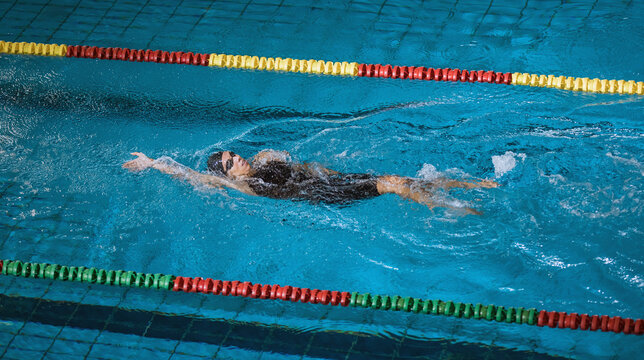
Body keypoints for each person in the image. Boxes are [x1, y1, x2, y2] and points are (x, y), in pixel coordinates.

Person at [123, 150, 499, 214]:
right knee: (389, 183)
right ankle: (456, 209)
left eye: (232, 154)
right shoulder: (240, 186)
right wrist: (153, 164)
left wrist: (331, 172)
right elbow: (190, 175)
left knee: (404, 179)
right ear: (227, 175)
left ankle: (478, 186)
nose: (236, 158)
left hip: (325, 180)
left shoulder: (263, 160)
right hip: (318, 196)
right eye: (229, 162)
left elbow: (302, 163)